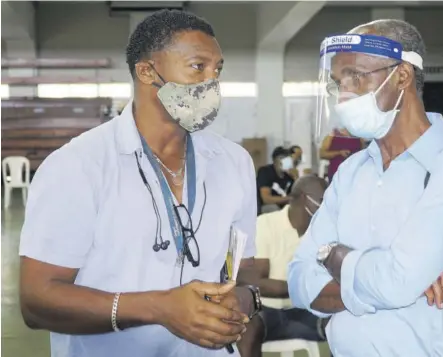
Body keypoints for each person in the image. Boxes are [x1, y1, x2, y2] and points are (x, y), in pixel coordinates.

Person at [18, 10, 261, 357]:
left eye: (217, 70)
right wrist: (159, 307)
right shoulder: (78, 166)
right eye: (198, 67)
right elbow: (36, 301)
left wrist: (242, 299)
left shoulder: (234, 163)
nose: (213, 83)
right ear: (147, 71)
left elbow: (244, 267)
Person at [288, 19, 443, 356]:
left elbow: (398, 281)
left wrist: (337, 258)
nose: (346, 93)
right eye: (340, 82)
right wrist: (380, 276)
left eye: (356, 76)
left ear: (402, 75)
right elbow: (298, 280)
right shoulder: (351, 171)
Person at [236, 176, 328, 357]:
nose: (326, 206)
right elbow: (257, 283)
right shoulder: (266, 224)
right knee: (247, 329)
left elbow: (326, 281)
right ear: (304, 197)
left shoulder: (322, 232)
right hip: (266, 311)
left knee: (343, 325)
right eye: (322, 200)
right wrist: (305, 286)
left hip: (306, 311)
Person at [256, 147, 294, 215]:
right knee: (274, 208)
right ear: (274, 160)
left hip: (282, 208)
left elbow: (294, 196)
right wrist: (288, 199)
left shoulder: (289, 178)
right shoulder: (265, 172)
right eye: (282, 158)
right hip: (264, 207)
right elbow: (266, 199)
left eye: (287, 158)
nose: (285, 161)